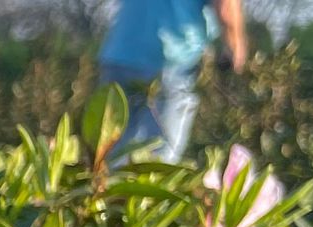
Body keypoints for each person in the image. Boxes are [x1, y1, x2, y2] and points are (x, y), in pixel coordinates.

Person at [98, 0, 247, 162]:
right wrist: (235, 47)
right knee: (161, 155)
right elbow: (226, 8)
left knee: (110, 148)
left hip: (120, 52)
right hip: (169, 57)